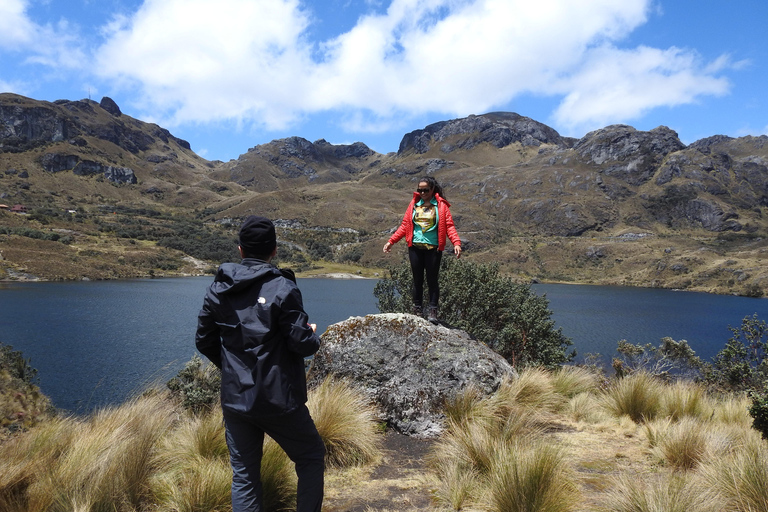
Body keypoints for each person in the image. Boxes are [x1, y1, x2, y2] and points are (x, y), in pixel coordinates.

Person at [195, 215, 325, 512]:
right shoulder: (283, 288)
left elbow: (204, 341)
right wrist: (312, 335)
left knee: (245, 476)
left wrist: (233, 370)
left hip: (237, 399)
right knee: (310, 456)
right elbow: (301, 343)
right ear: (274, 250)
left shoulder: (218, 289)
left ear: (240, 250)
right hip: (279, 398)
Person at [383, 176, 462, 324]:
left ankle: (433, 311)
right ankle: (417, 309)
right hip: (415, 248)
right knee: (417, 280)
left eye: (425, 190)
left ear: (432, 189)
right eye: (420, 190)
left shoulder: (441, 206)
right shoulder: (414, 204)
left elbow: (449, 226)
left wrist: (456, 243)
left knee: (432, 280)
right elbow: (405, 225)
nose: (422, 193)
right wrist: (391, 241)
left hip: (433, 249)